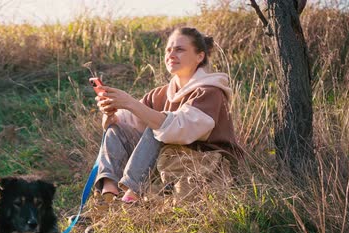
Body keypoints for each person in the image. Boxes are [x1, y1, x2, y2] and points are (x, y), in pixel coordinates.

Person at [94, 27, 240, 204]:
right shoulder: (159, 94)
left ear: (199, 56)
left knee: (159, 128)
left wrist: (130, 103)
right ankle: (108, 195)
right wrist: (110, 114)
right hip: (169, 164)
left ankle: (131, 196)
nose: (171, 55)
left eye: (179, 49)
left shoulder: (210, 92)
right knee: (118, 130)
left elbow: (180, 129)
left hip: (206, 167)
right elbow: (125, 124)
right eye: (168, 50)